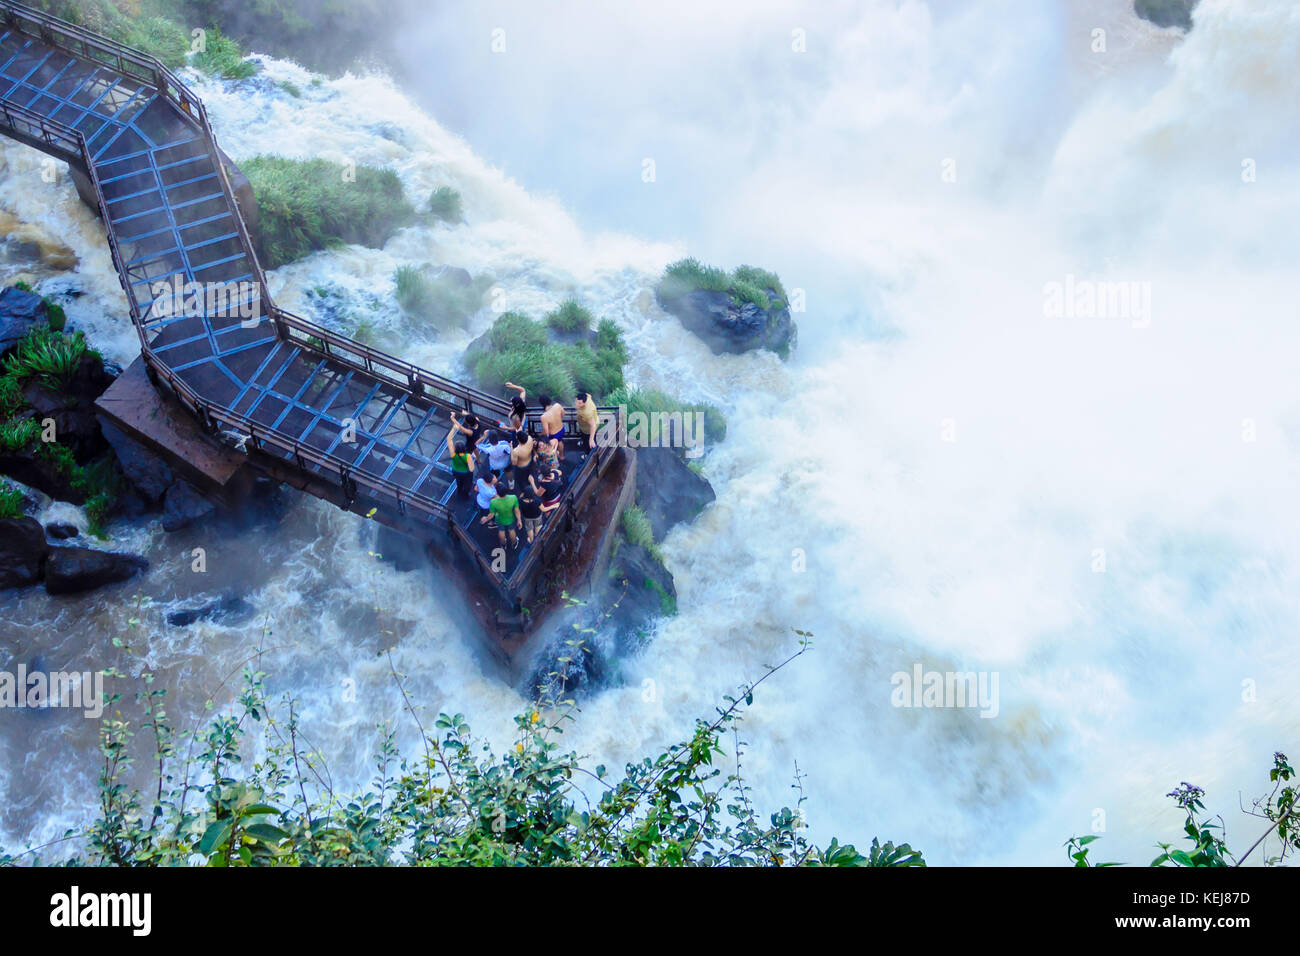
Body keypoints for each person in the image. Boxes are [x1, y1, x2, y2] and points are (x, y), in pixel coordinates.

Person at [480, 482, 521, 549]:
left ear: (497, 493)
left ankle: (503, 544)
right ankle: (514, 543)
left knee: (501, 531)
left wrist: (486, 518)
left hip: (499, 519)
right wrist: (519, 520)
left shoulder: (493, 502)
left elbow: (491, 514)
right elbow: (517, 510)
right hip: (510, 518)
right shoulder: (513, 498)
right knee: (511, 530)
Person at [446, 431, 475, 499]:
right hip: (465, 473)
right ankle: (466, 493)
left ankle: (459, 490)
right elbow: (471, 469)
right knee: (467, 483)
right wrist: (472, 457)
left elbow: (449, 440)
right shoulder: (467, 456)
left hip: (455, 471)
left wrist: (453, 428)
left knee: (459, 482)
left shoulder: (453, 454)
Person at [538, 393, 566, 460]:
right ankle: (562, 456)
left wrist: (540, 435)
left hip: (553, 434)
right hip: (561, 429)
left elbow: (546, 431)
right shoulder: (557, 405)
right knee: (560, 442)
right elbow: (564, 413)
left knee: (552, 447)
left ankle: (555, 458)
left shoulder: (544, 417)